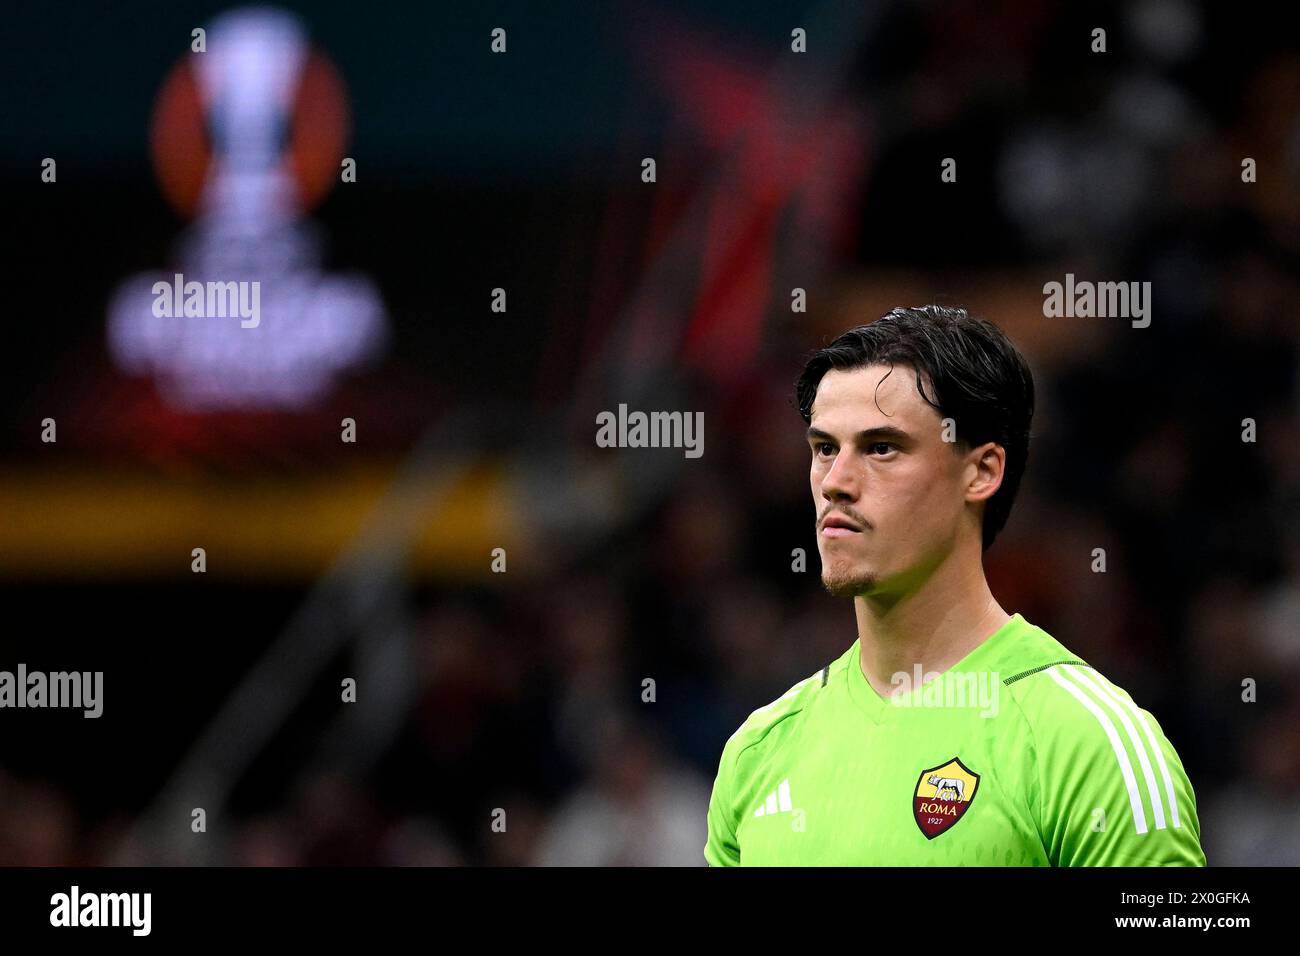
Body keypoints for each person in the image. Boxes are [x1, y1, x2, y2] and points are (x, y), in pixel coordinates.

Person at [704, 305, 1205, 866]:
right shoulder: (758, 752)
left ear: (982, 471)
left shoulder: (1087, 740)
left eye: (881, 447)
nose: (836, 483)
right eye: (824, 448)